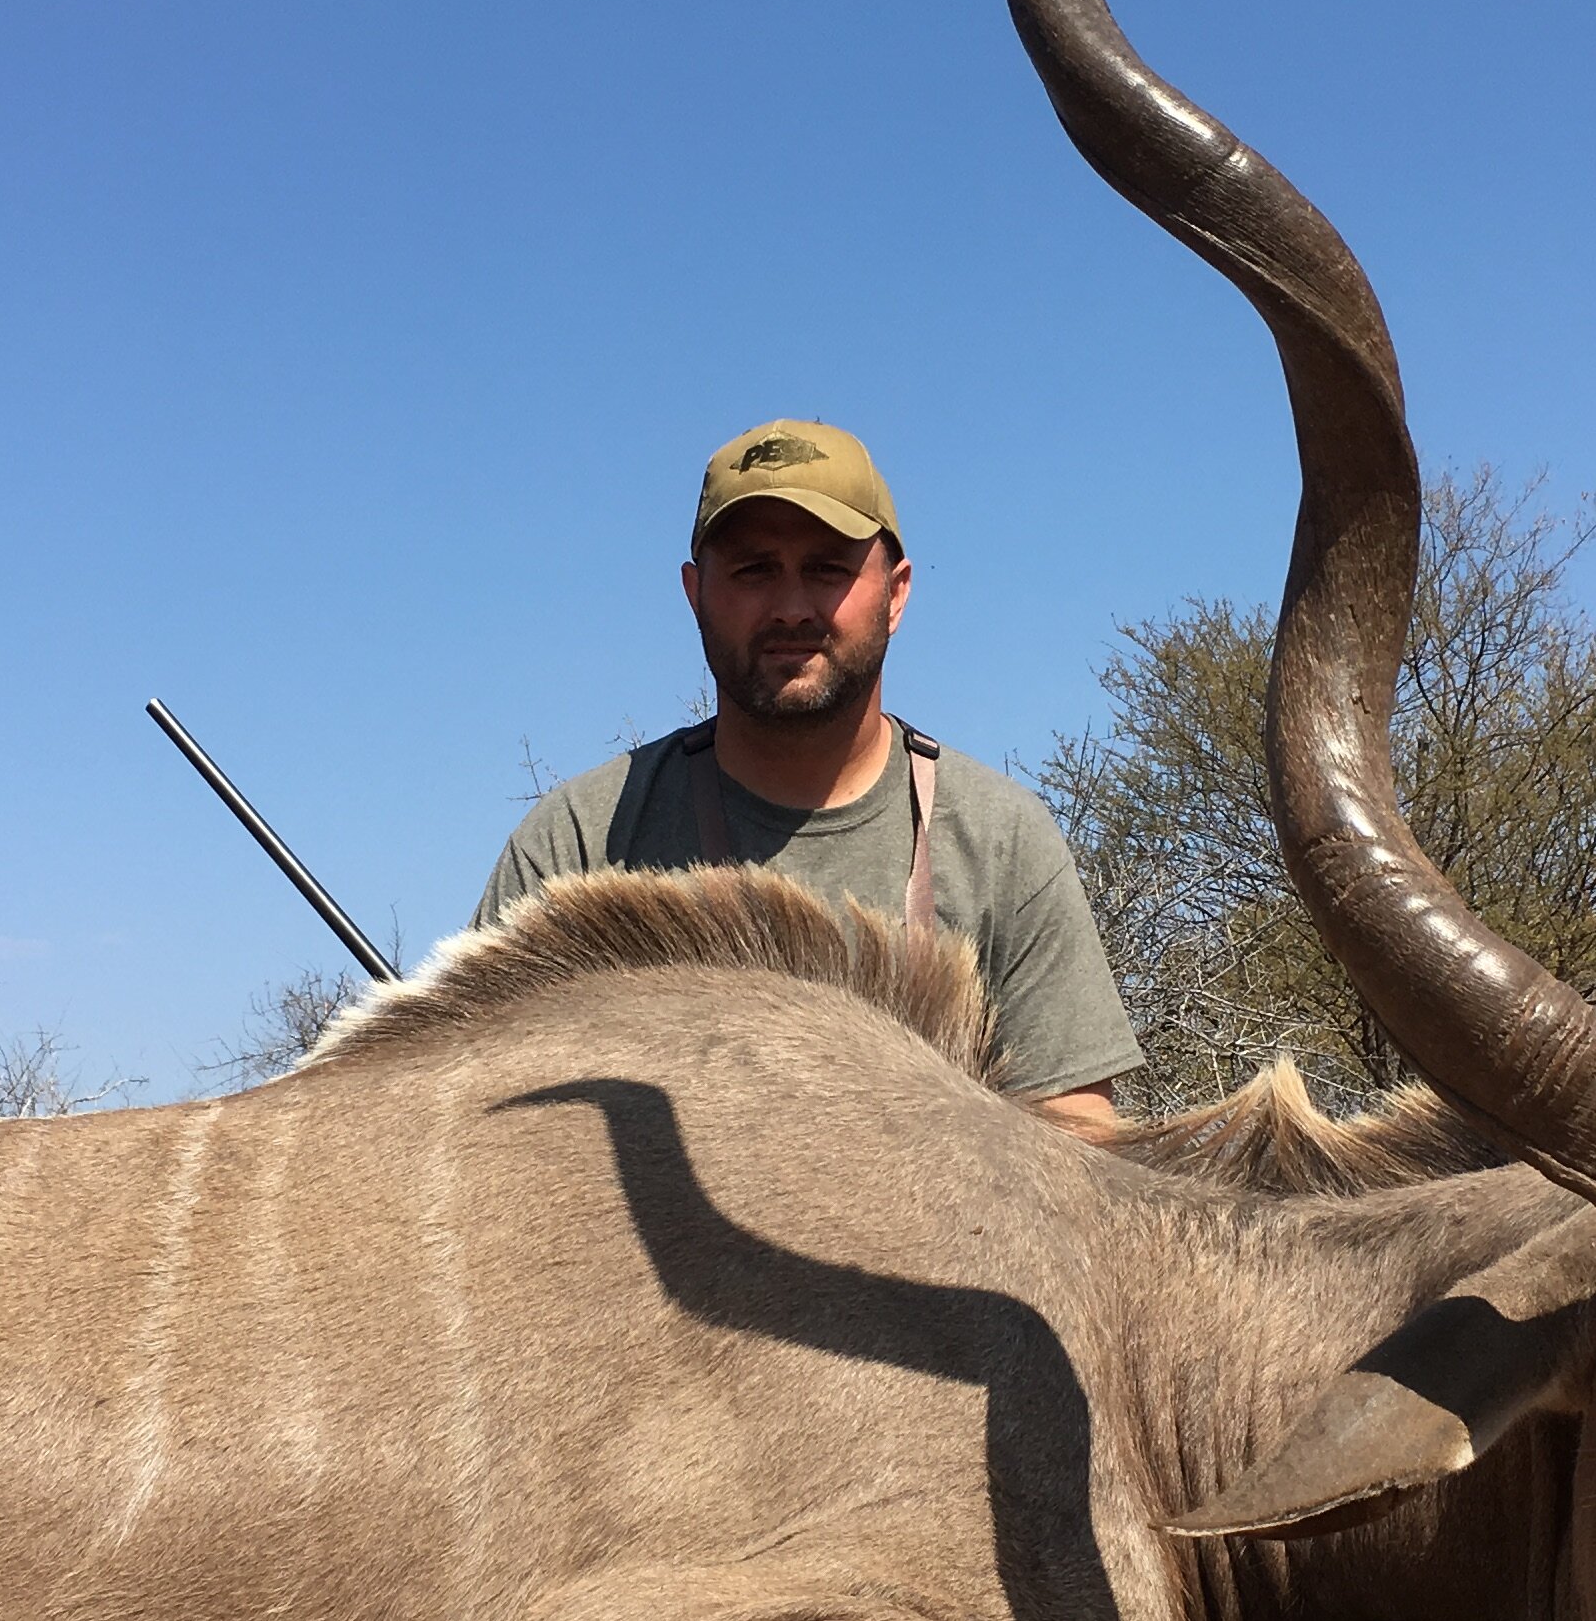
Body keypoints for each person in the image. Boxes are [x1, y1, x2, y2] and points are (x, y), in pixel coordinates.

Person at [477, 419, 1142, 1134]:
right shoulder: (581, 838)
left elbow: (1078, 1136)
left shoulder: (1002, 840)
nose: (792, 607)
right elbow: (480, 1115)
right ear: (695, 593)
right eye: (754, 570)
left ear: (896, 592)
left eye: (827, 569)